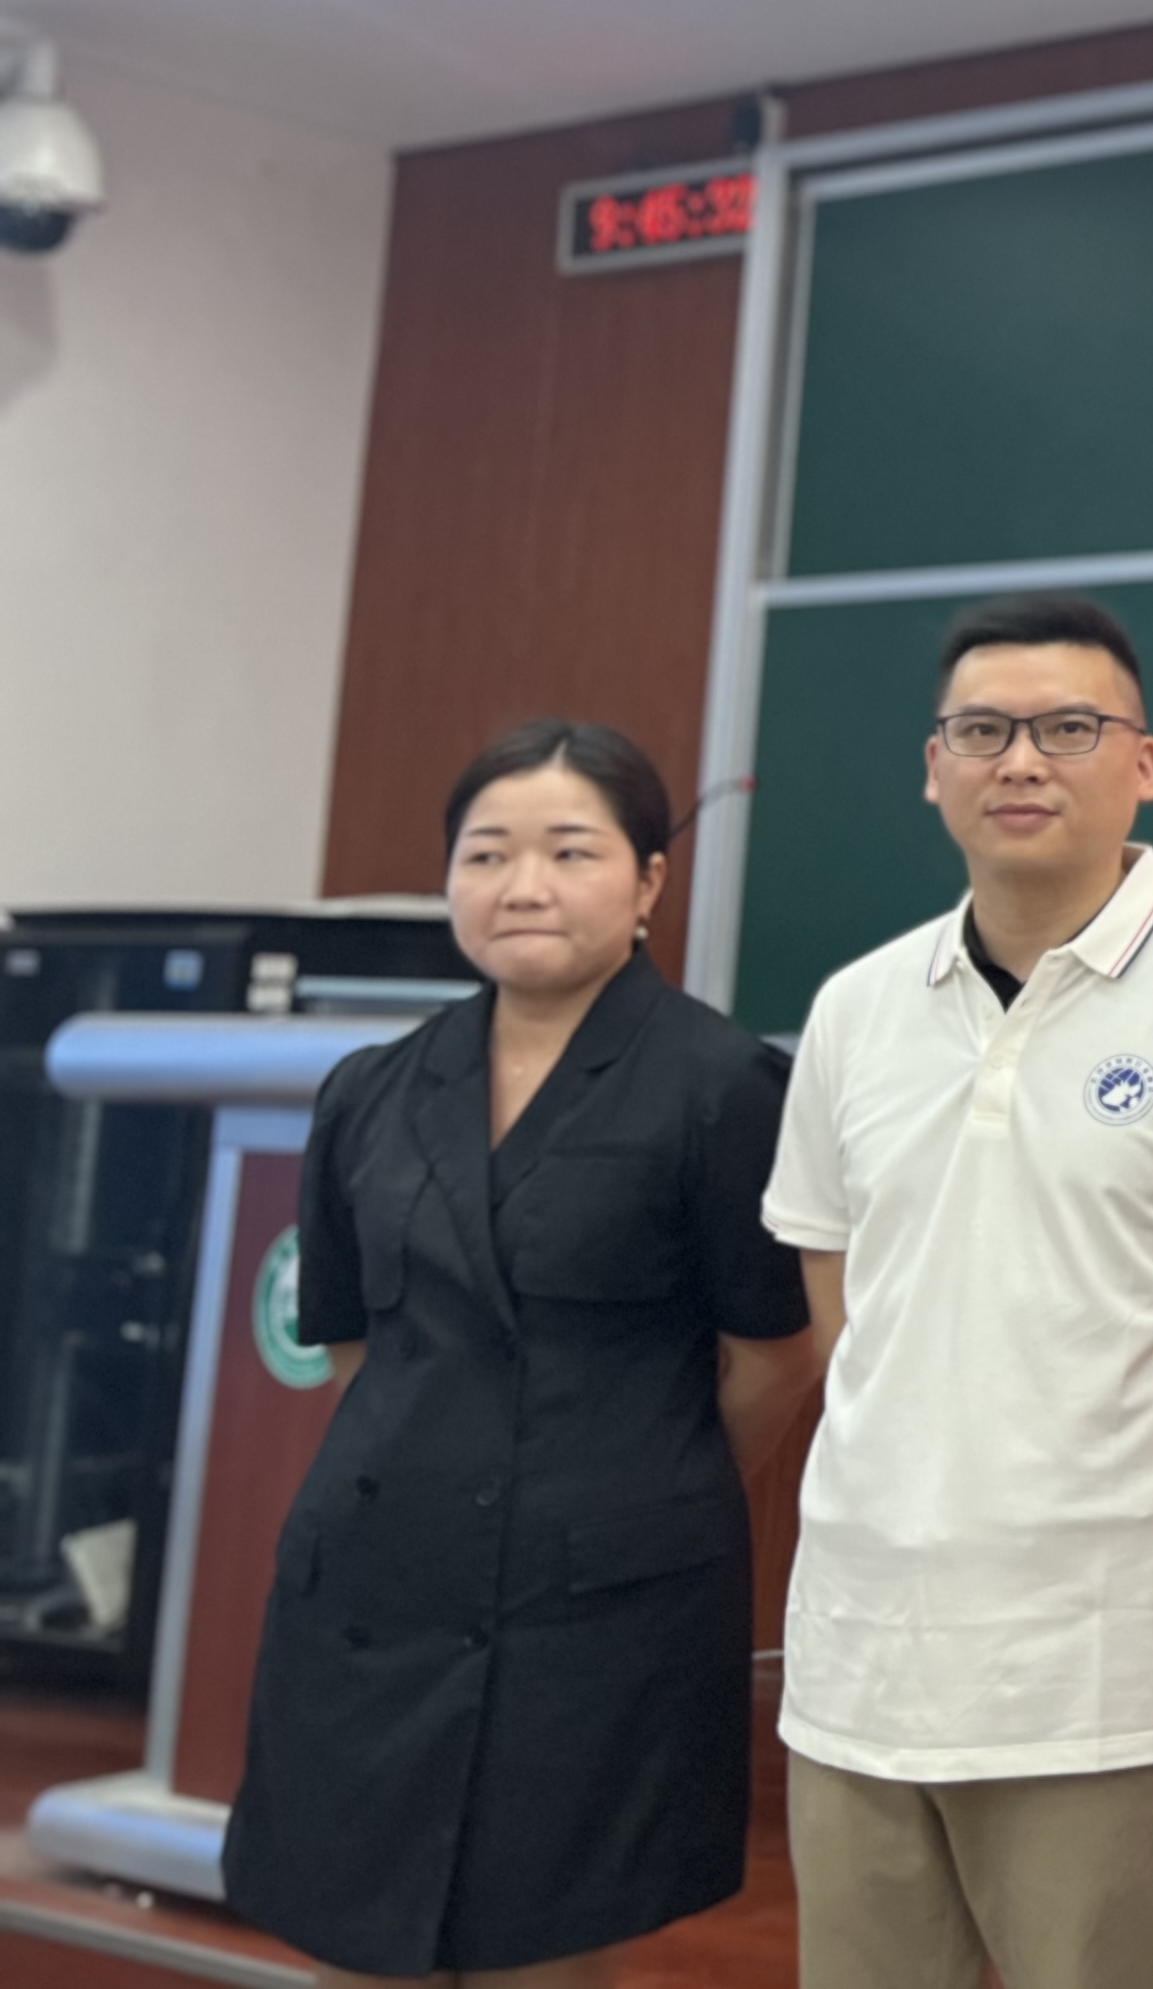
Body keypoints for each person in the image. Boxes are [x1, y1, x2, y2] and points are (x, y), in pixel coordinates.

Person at [762, 592, 1153, 1989]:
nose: (1020, 760)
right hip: (861, 1653)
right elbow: (843, 1300)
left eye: (1068, 729)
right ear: (934, 767)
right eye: (983, 731)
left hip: (1102, 1676)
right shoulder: (857, 1006)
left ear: (1143, 763)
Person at [226, 719, 819, 1988]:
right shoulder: (370, 1089)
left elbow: (776, 1354)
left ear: (648, 881)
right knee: (354, 1943)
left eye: (569, 851)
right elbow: (354, 1347)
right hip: (378, 1587)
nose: (523, 885)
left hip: (596, 1611)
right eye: (487, 854)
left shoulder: (724, 1086)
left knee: (541, 1955)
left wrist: (640, 1482)